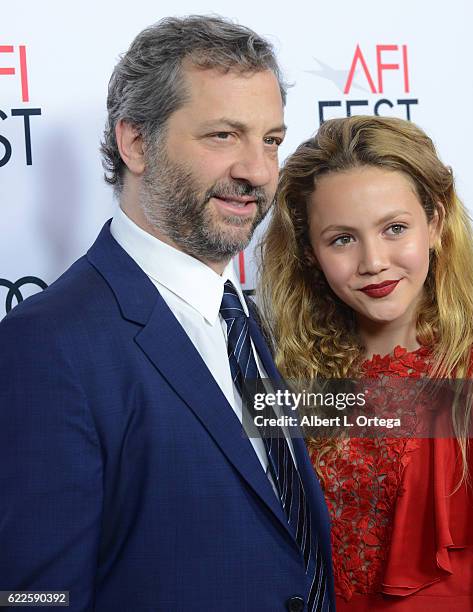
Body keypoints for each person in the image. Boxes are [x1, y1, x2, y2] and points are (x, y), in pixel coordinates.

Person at [0, 16, 335, 612]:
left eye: (271, 140)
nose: (257, 171)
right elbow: (33, 599)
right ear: (135, 143)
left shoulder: (241, 320)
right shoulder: (46, 347)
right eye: (223, 136)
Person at [258, 115, 473, 611]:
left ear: (436, 222)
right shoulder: (283, 373)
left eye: (395, 228)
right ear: (309, 253)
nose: (373, 261)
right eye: (342, 238)